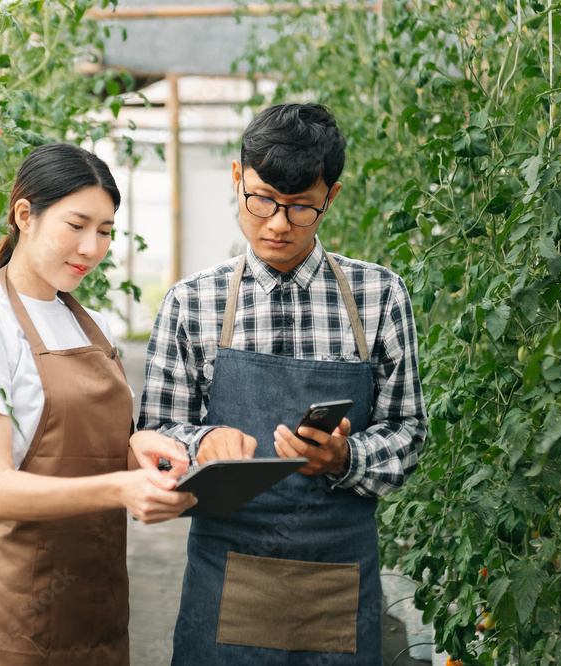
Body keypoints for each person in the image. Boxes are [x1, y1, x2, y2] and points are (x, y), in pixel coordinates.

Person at [138, 103, 428, 664]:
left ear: (331, 197)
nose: (276, 223)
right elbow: (154, 433)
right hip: (227, 571)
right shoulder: (192, 303)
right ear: (236, 178)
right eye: (262, 199)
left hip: (337, 577)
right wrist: (201, 443)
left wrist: (347, 457)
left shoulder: (380, 297)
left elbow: (409, 432)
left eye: (300, 208)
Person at [0, 143, 196, 666]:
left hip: (99, 613)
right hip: (12, 624)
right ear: (24, 216)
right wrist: (121, 487)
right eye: (77, 225)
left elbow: (97, 451)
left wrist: (141, 452)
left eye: (105, 230)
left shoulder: (93, 323)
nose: (92, 247)